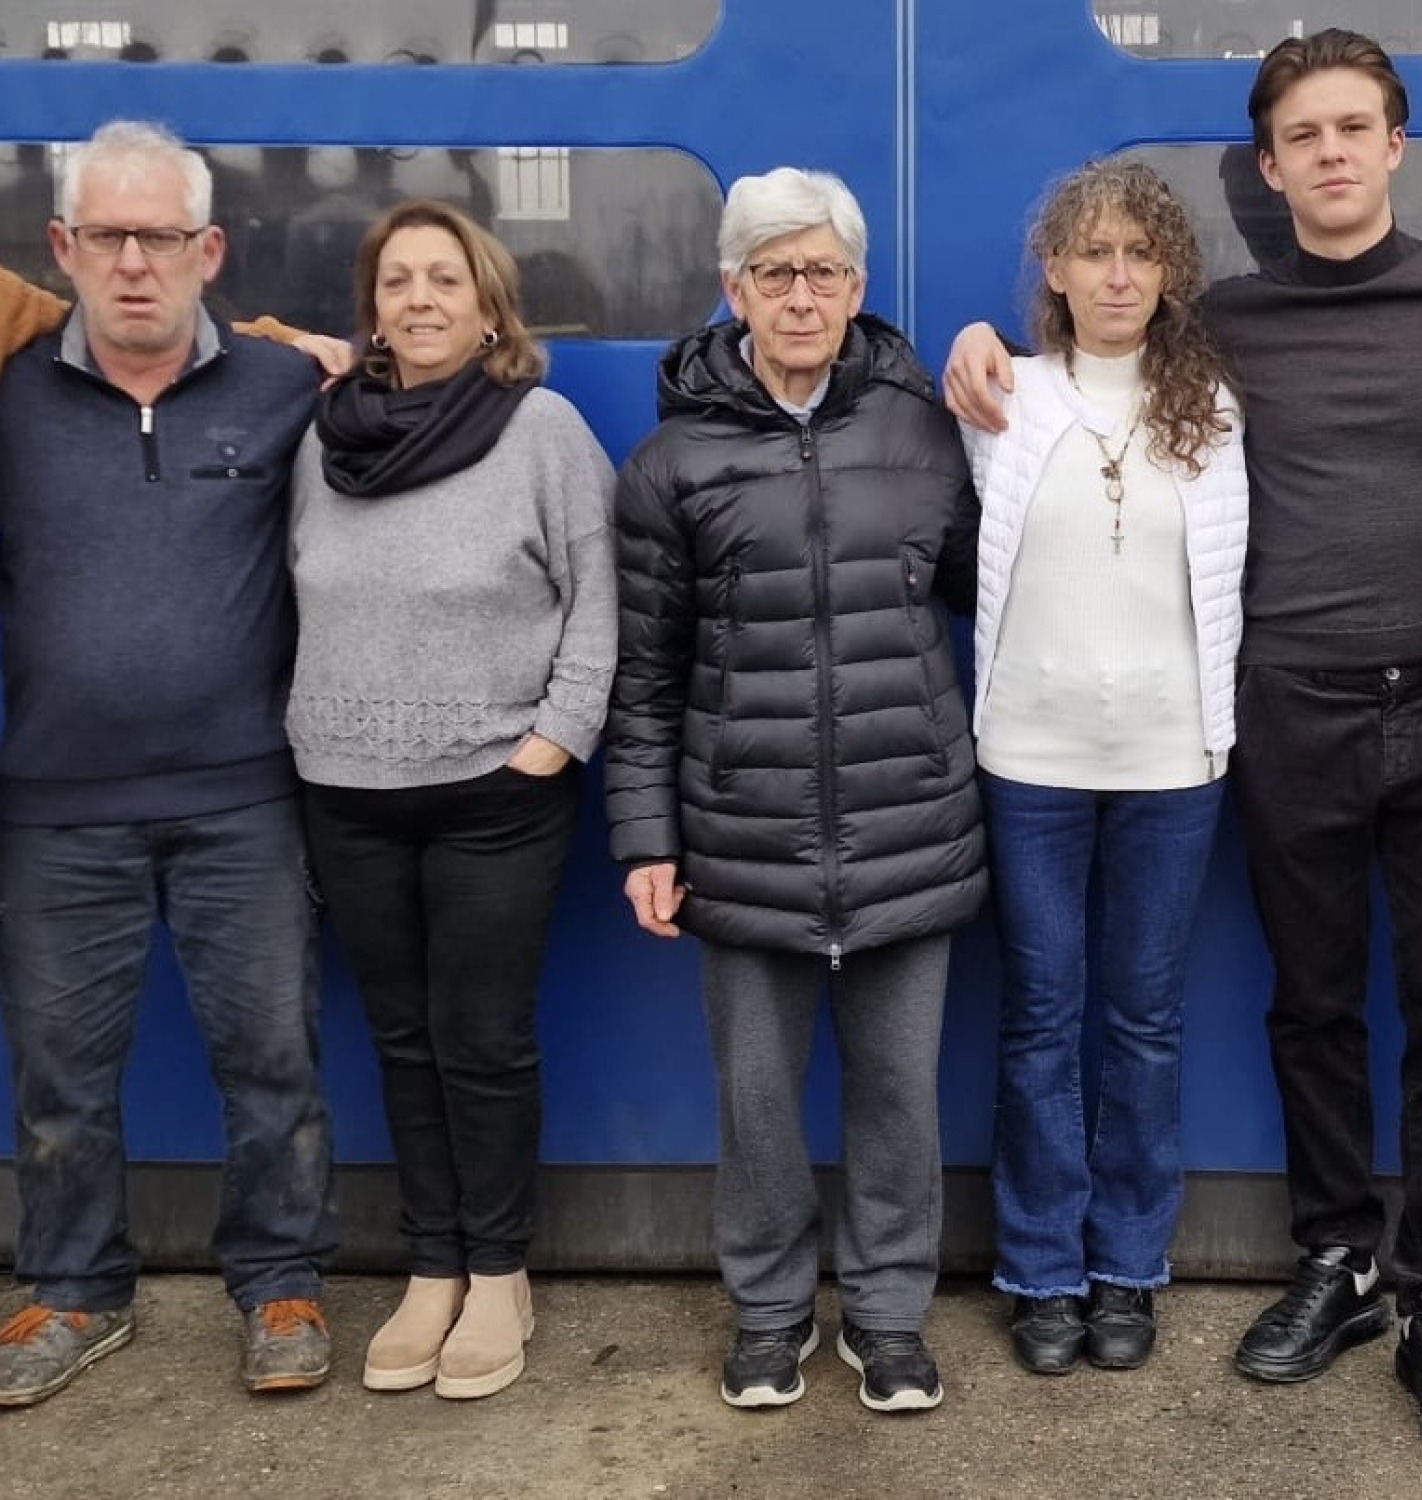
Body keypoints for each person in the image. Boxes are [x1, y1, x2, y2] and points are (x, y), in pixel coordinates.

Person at [943, 29, 1422, 1454]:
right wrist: (968, 344)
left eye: (1353, 127)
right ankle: (1341, 1260)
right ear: (1269, 166)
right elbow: (1075, 370)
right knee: (1312, 1002)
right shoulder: (1223, 331)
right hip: (1289, 704)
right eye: (1302, 135)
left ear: (1396, 144)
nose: (1330, 152)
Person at [605, 167, 985, 1415]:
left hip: (906, 822)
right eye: (776, 273)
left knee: (899, 1093)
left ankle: (888, 1316)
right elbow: (646, 673)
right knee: (757, 1100)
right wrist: (646, 837)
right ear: (736, 291)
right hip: (742, 833)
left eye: (824, 271)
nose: (802, 296)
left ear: (857, 286)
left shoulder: (924, 440)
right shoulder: (672, 464)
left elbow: (1002, 598)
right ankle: (769, 1314)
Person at [0, 120, 338, 1406]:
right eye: (107, 236)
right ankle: (73, 1290)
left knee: (273, 1062)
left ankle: (283, 1281)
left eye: (159, 237)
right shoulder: (10, 393)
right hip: (57, 804)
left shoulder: (284, 386)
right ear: (62, 247)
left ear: (210, 250)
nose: (133, 263)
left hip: (242, 795)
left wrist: (331, 353)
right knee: (60, 1080)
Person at [286, 200, 616, 1401]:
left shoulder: (541, 430)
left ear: (489, 307)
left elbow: (599, 597)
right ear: (370, 311)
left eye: (444, 278)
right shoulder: (321, 436)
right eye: (397, 281)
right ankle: (432, 1266)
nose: (420, 298)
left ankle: (498, 1273)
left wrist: (554, 741)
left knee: (481, 1040)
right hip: (346, 791)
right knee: (402, 1038)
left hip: (494, 795)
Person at [963, 159, 1247, 1377]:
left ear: (1170, 270)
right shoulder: (1002, 395)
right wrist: (967, 341)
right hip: (1029, 758)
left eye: (1140, 252)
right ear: (1057, 270)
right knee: (1039, 1017)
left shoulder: (1214, 408)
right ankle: (1041, 1269)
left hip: (1174, 764)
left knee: (1143, 1020)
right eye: (1094, 252)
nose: (1118, 275)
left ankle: (1128, 1262)